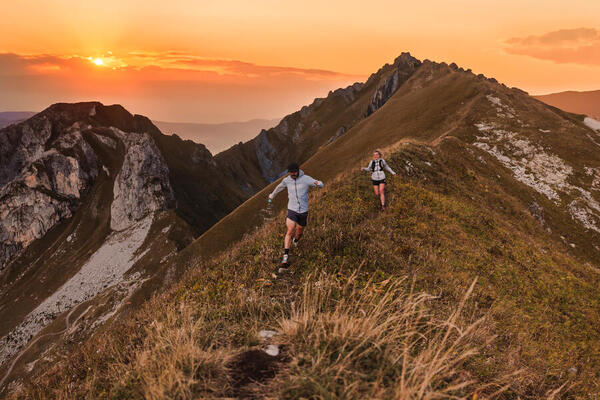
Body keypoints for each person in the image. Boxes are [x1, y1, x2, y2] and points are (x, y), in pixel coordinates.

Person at [268, 162, 324, 265]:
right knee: (289, 230)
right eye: (291, 173)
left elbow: (317, 183)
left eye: (294, 172)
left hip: (303, 210)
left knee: (299, 230)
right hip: (292, 209)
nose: (293, 174)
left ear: (298, 170)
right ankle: (285, 257)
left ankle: (296, 240)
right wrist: (272, 195)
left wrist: (319, 184)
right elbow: (279, 187)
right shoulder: (286, 180)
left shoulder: (306, 179)